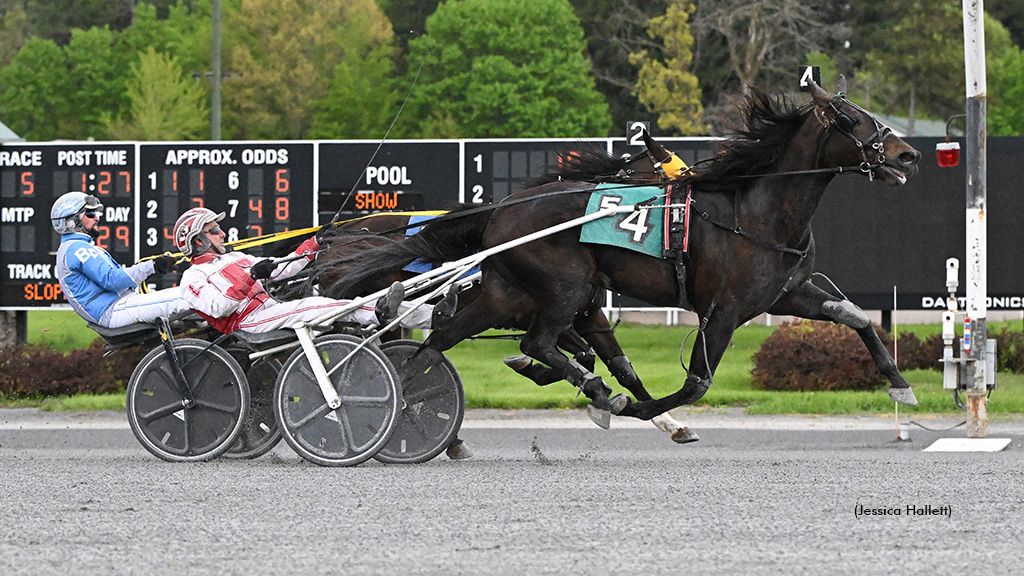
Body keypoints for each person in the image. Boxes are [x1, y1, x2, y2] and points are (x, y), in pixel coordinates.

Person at [174, 207, 443, 335]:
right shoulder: (192, 279)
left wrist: (315, 243)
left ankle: (438, 316)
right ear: (198, 241)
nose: (222, 233)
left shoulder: (236, 257)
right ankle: (380, 312)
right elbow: (219, 307)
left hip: (270, 310)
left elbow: (286, 267)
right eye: (213, 231)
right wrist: (252, 276)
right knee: (318, 305)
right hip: (246, 323)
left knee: (355, 304)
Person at [53, 191, 186, 329]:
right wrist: (152, 266)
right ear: (71, 222)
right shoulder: (76, 249)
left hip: (118, 306)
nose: (97, 218)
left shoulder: (74, 248)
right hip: (114, 310)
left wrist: (153, 268)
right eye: (90, 214)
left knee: (190, 293)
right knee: (190, 295)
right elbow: (112, 280)